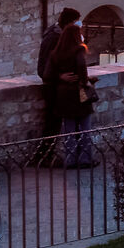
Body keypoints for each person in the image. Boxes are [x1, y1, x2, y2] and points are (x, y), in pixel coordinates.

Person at [40, 9, 97, 168]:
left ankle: (70, 160)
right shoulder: (78, 51)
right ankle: (85, 159)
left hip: (62, 95)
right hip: (78, 94)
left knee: (69, 129)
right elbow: (82, 74)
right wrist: (87, 81)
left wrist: (60, 77)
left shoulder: (55, 53)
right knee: (85, 127)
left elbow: (46, 74)